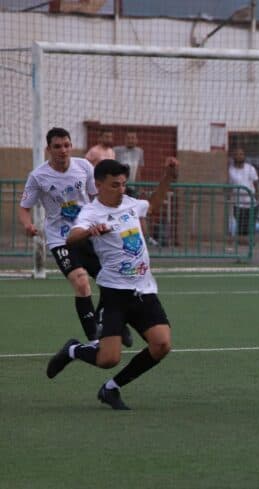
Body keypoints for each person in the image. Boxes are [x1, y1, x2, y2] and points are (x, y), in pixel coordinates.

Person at [45, 157, 179, 410]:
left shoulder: (129, 203)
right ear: (98, 185)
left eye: (123, 184)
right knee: (108, 359)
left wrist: (168, 177)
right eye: (114, 185)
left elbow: (153, 206)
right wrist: (89, 231)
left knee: (162, 344)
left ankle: (111, 389)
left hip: (143, 289)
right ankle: (73, 350)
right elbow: (72, 236)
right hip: (115, 294)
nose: (121, 190)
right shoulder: (91, 212)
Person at [19, 127, 132, 347]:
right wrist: (28, 225)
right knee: (81, 283)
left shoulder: (84, 167)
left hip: (87, 233)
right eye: (57, 146)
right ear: (49, 149)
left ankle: (115, 324)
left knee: (114, 281)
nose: (63, 150)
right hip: (61, 239)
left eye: (67, 145)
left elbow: (95, 197)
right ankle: (94, 339)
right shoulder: (38, 176)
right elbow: (24, 207)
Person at [227, 147, 259, 245]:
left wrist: (258, 198)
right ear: (234, 157)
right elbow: (229, 185)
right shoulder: (230, 170)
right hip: (238, 203)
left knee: (250, 226)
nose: (239, 156)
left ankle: (250, 245)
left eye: (241, 154)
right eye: (237, 154)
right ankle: (241, 247)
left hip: (251, 203)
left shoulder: (250, 168)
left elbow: (256, 184)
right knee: (240, 225)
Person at [114, 131, 145, 195]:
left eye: (133, 138)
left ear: (136, 140)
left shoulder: (139, 151)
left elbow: (138, 171)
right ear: (125, 139)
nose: (130, 140)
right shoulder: (117, 150)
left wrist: (139, 187)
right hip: (119, 186)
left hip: (132, 186)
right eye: (128, 138)